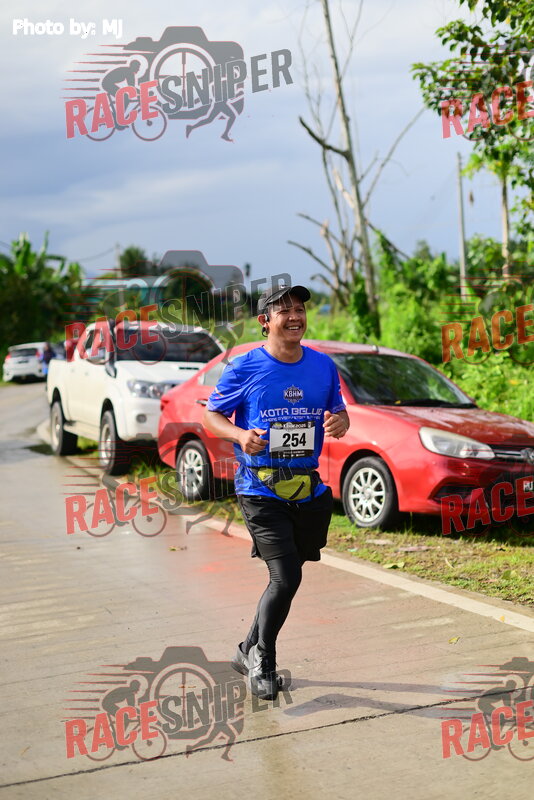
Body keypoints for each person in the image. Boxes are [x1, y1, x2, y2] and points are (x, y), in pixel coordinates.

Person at [203, 283, 350, 700]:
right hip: (259, 488)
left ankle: (246, 648)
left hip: (306, 490)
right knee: (284, 576)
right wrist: (239, 435)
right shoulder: (244, 367)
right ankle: (263, 661)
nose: (294, 317)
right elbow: (212, 416)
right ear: (264, 321)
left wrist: (341, 422)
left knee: (288, 577)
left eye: (299, 309)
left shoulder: (323, 366)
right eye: (284, 311)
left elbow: (338, 411)